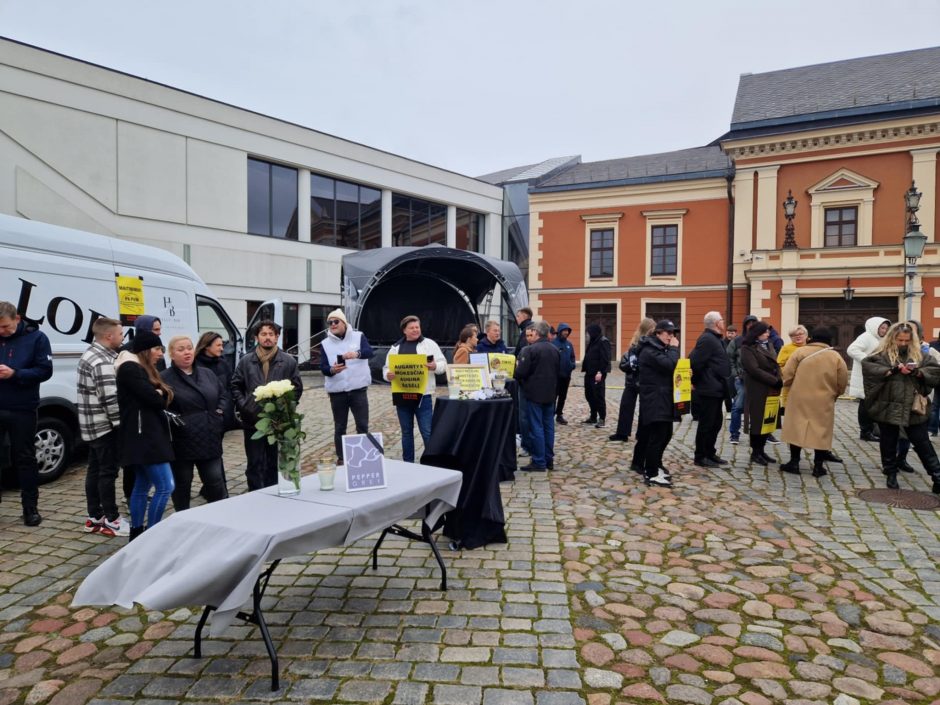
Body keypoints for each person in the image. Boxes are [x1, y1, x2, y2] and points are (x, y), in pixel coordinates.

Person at [862, 321, 940, 494]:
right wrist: (890, 371)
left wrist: (918, 372)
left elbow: (934, 372)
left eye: (906, 340)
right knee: (888, 441)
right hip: (888, 404)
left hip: (913, 407)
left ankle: (937, 475)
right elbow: (869, 367)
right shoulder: (882, 354)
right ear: (892, 338)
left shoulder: (921, 355)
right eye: (900, 340)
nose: (903, 344)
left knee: (922, 442)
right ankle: (890, 473)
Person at [115, 331, 175, 540]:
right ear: (146, 349)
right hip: (145, 437)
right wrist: (159, 393)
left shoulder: (142, 368)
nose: (161, 353)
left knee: (142, 485)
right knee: (166, 486)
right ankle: (152, 534)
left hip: (144, 434)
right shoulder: (131, 369)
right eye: (158, 349)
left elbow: (160, 396)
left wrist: (159, 393)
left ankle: (137, 533)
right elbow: (155, 399)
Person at [232, 319, 303, 490]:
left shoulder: (288, 361)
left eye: (271, 334)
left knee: (274, 461)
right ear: (257, 337)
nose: (268, 338)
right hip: (252, 420)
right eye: (263, 334)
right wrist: (244, 405)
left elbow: (297, 388)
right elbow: (235, 385)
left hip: (277, 422)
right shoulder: (246, 361)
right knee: (254, 462)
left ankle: (273, 490)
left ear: (277, 337)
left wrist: (284, 409)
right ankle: (255, 493)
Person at [0, 301, 52, 526]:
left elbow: (44, 370)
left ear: (17, 319)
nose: (1, 332)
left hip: (22, 407)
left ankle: (30, 509)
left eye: (5, 327)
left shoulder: (37, 338)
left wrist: (15, 373)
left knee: (25, 458)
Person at [162, 335, 228, 510]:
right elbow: (161, 408)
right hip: (182, 440)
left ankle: (219, 514)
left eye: (189, 348)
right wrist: (180, 422)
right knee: (182, 483)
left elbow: (222, 394)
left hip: (209, 435)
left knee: (215, 481)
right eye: (181, 349)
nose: (186, 352)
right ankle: (182, 515)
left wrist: (219, 412)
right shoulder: (165, 378)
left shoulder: (207, 373)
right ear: (171, 354)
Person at [77, 316, 128, 536]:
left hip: (91, 425)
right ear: (109, 336)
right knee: (107, 473)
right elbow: (110, 398)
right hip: (105, 427)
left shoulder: (91, 353)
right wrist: (120, 426)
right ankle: (112, 519)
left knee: (95, 471)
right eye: (120, 333)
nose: (122, 337)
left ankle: (94, 517)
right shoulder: (102, 361)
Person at [779, 328, 848, 477]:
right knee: (821, 432)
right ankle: (818, 467)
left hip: (799, 397)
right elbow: (842, 381)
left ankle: (794, 463)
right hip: (823, 399)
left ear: (811, 338)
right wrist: (835, 393)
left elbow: (787, 375)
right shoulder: (835, 357)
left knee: (796, 429)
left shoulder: (799, 352)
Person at [383, 315, 447, 463]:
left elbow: (443, 364)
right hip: (402, 395)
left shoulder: (429, 345)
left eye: (417, 327)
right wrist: (388, 375)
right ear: (404, 330)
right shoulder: (395, 348)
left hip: (423, 395)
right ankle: (408, 462)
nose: (415, 330)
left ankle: (431, 462)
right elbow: (386, 369)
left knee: (427, 432)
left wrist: (435, 366)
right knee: (406, 433)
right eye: (411, 328)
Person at [320, 309, 374, 463]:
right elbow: (323, 367)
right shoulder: (325, 343)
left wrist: (356, 354)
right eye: (330, 323)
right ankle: (342, 458)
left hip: (358, 390)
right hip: (338, 392)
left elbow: (369, 352)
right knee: (340, 427)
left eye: (336, 321)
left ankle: (365, 457)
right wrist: (332, 370)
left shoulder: (358, 336)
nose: (333, 325)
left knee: (362, 425)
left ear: (344, 323)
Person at [635, 320, 680, 488]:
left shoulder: (661, 349)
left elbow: (671, 368)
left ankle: (656, 465)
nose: (671, 336)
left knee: (665, 434)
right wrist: (675, 349)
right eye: (668, 333)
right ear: (658, 333)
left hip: (664, 398)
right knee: (657, 436)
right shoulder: (649, 350)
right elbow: (669, 364)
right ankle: (651, 472)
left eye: (673, 333)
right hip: (655, 399)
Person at [893, 320, 940, 473]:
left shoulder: (927, 351)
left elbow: (935, 373)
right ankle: (893, 465)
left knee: (919, 439)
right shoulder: (891, 351)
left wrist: (919, 372)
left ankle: (904, 459)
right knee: (894, 436)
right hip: (894, 401)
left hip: (915, 402)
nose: (905, 338)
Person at [689, 311, 733, 468]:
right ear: (716, 323)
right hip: (708, 388)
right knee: (706, 424)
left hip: (717, 387)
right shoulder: (707, 339)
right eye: (721, 320)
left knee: (716, 422)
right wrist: (695, 381)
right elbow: (695, 361)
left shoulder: (716, 339)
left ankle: (710, 452)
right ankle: (700, 456)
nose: (723, 322)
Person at [515, 321, 560, 471]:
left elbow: (520, 373)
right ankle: (549, 459)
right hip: (550, 394)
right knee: (548, 427)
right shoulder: (555, 349)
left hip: (534, 394)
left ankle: (539, 461)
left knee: (536, 427)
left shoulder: (529, 350)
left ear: (536, 332)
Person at [740, 321, 783, 466]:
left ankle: (762, 450)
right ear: (757, 333)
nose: (768, 334)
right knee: (758, 421)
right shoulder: (747, 348)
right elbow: (754, 370)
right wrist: (773, 380)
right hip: (757, 388)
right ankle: (755, 452)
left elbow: (775, 363)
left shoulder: (769, 344)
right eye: (765, 332)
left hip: (770, 388)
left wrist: (779, 377)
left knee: (768, 420)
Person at [610, 318, 655, 442]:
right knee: (631, 406)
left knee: (630, 406)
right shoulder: (639, 342)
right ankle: (629, 433)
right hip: (636, 378)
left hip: (638, 379)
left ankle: (626, 433)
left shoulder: (644, 342)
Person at [847, 316, 891, 441]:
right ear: (875, 327)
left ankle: (873, 430)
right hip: (865, 377)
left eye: (886, 328)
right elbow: (852, 350)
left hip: (876, 377)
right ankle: (865, 431)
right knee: (865, 404)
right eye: (882, 328)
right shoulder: (866, 337)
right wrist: (868, 361)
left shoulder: (881, 340)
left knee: (873, 405)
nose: (884, 330)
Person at [195, 331, 239, 432]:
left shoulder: (223, 363)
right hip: (203, 415)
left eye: (222, 345)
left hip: (222, 414)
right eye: (218, 345)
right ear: (206, 346)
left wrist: (223, 408)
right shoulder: (194, 365)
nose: (222, 348)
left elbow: (230, 386)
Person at [727, 315, 758, 444]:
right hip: (741, 379)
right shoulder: (737, 341)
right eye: (748, 323)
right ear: (745, 325)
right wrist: (735, 373)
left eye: (753, 323)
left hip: (758, 380)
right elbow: (729, 359)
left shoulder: (760, 340)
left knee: (758, 408)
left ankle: (762, 434)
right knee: (738, 407)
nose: (750, 325)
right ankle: (734, 434)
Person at [582, 323, 612, 428]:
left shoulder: (603, 342)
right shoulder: (593, 342)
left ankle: (602, 418)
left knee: (598, 396)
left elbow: (605, 358)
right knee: (589, 395)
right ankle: (593, 416)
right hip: (589, 373)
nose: (587, 335)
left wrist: (600, 372)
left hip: (598, 374)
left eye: (589, 333)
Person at [552, 322, 576, 425]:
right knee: (553, 396)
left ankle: (559, 414)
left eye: (567, 331)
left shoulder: (569, 344)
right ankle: (550, 414)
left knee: (563, 396)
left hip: (566, 376)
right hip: (555, 376)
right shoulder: (553, 343)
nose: (566, 332)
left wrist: (572, 365)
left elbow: (573, 357)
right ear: (560, 331)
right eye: (564, 330)